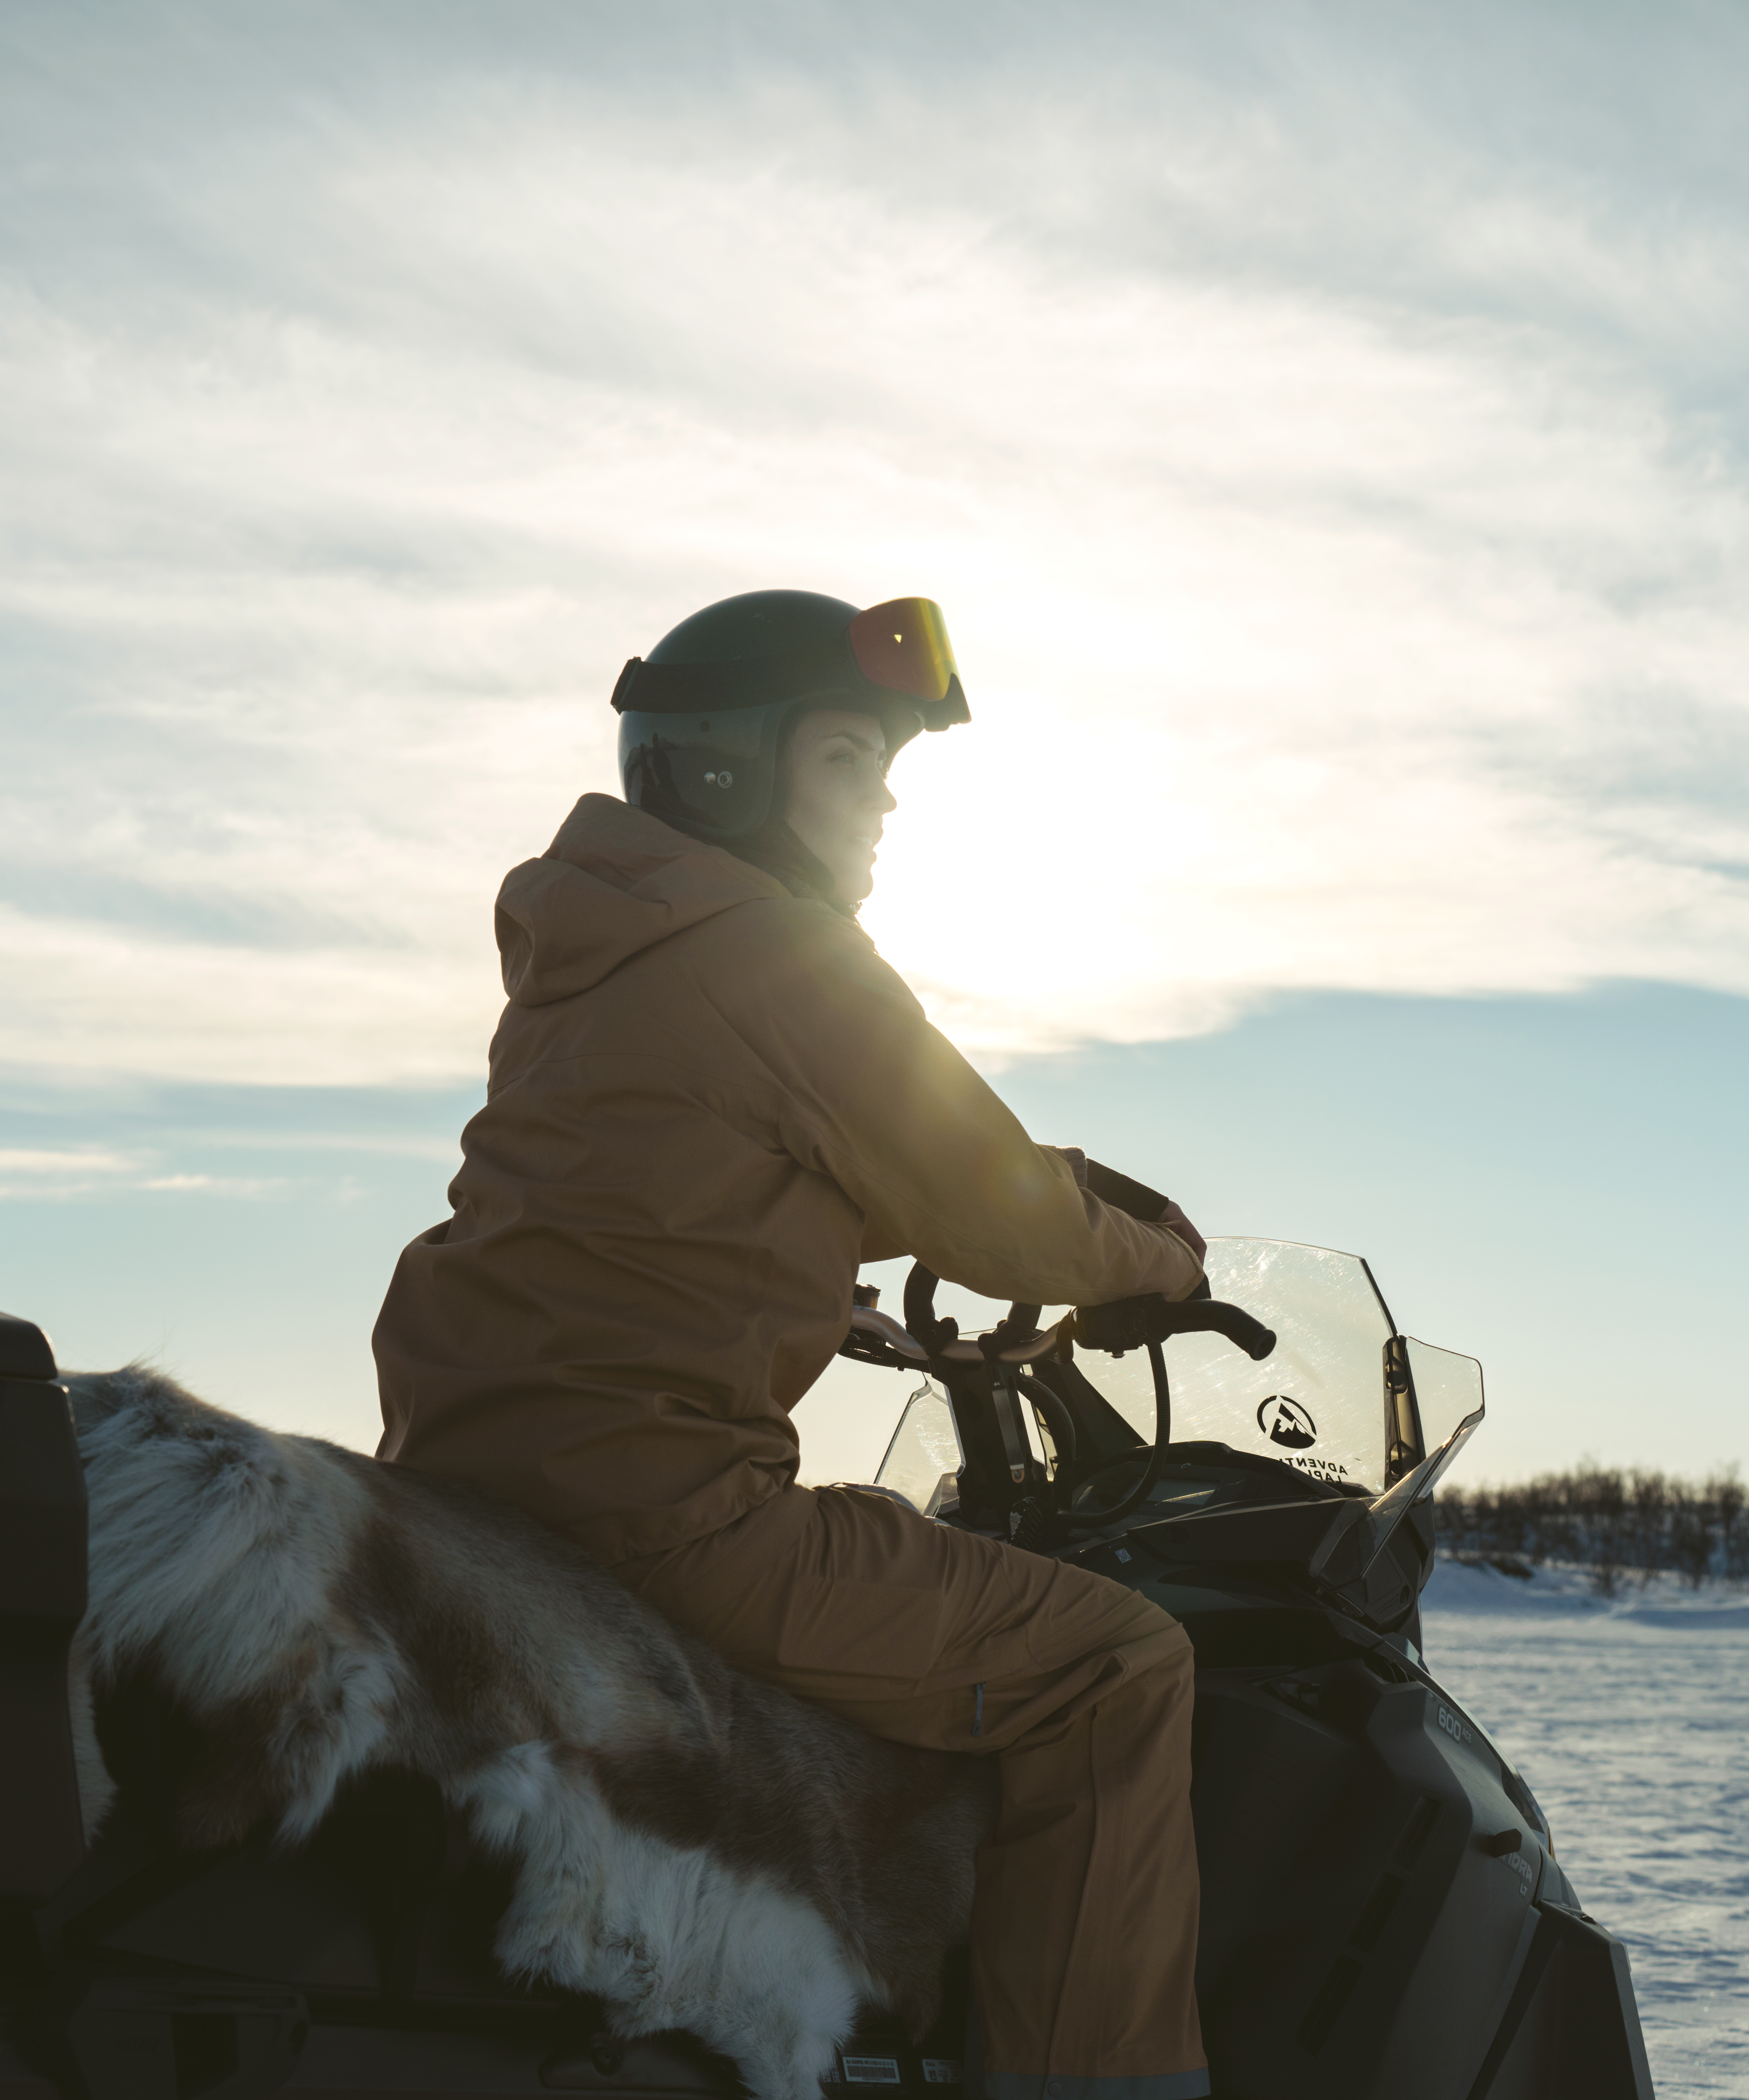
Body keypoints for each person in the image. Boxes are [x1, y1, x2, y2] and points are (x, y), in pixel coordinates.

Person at [372, 589, 1211, 2100]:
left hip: (465, 1491)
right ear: (723, 771)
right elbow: (1002, 1218)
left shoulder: (601, 957)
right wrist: (1148, 1260)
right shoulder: (783, 957)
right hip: (665, 1525)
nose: (884, 805)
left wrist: (874, 1251)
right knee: (1117, 1665)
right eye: (848, 761)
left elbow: (681, 1179)